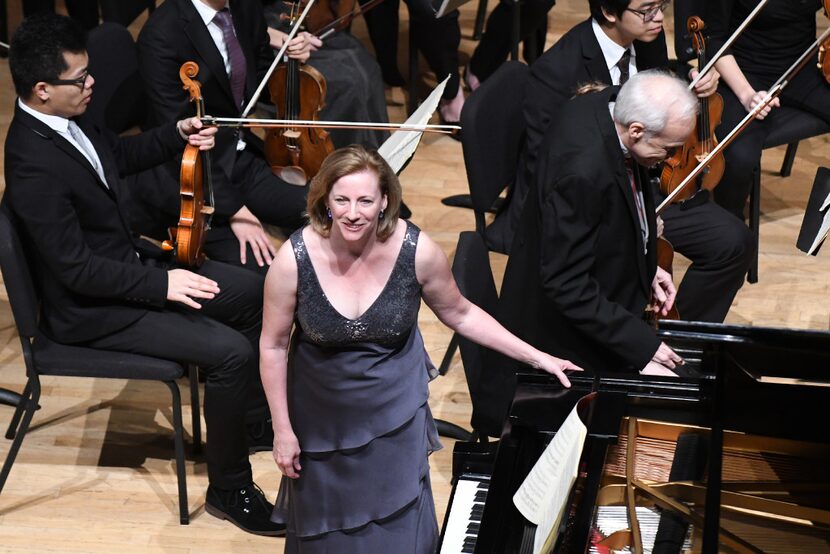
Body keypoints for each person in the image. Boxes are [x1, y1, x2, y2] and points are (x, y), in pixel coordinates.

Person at [3, 13, 282, 536]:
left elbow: (118, 155)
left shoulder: (71, 120)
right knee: (231, 353)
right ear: (42, 90)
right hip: (91, 311)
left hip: (125, 270)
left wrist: (175, 134)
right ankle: (230, 486)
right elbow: (74, 269)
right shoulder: (30, 164)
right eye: (79, 79)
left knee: (255, 291)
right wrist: (163, 283)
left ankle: (241, 424)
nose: (92, 84)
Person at [259, 145, 580, 550]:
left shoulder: (417, 251)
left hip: (394, 413)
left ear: (385, 201)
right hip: (322, 422)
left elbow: (461, 313)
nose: (352, 213)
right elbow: (272, 346)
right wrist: (282, 430)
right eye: (341, 200)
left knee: (397, 530)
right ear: (324, 200)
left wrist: (539, 357)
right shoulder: (293, 259)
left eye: (364, 200)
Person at [492, 0, 752, 323]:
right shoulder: (554, 74)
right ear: (610, 12)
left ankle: (679, 335)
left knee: (733, 242)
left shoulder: (646, 39)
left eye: (662, 6)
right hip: (592, 203)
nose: (658, 18)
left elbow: (654, 111)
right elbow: (555, 175)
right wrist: (640, 222)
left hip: (647, 180)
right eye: (647, 10)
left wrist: (688, 87)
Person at [501, 71, 695, 394]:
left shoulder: (610, 103)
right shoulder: (582, 173)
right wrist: (642, 346)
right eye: (669, 148)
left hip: (601, 306)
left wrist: (647, 264)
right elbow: (566, 284)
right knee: (676, 394)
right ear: (636, 131)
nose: (672, 159)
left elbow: (614, 216)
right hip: (568, 343)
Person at [133, 0, 309, 274]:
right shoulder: (161, 35)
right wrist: (236, 210)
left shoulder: (244, 8)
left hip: (237, 157)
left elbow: (259, 76)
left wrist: (289, 59)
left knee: (327, 209)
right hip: (191, 178)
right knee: (265, 270)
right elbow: (177, 138)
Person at [707, 0, 830, 219]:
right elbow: (714, 38)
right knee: (739, 157)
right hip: (743, 71)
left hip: (804, 66)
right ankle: (729, 225)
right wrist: (747, 95)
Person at [261, 0, 390, 150]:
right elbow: (241, 24)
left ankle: (374, 155)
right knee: (349, 83)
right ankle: (340, 157)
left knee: (368, 67)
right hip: (272, 38)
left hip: (311, 27)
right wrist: (285, 42)